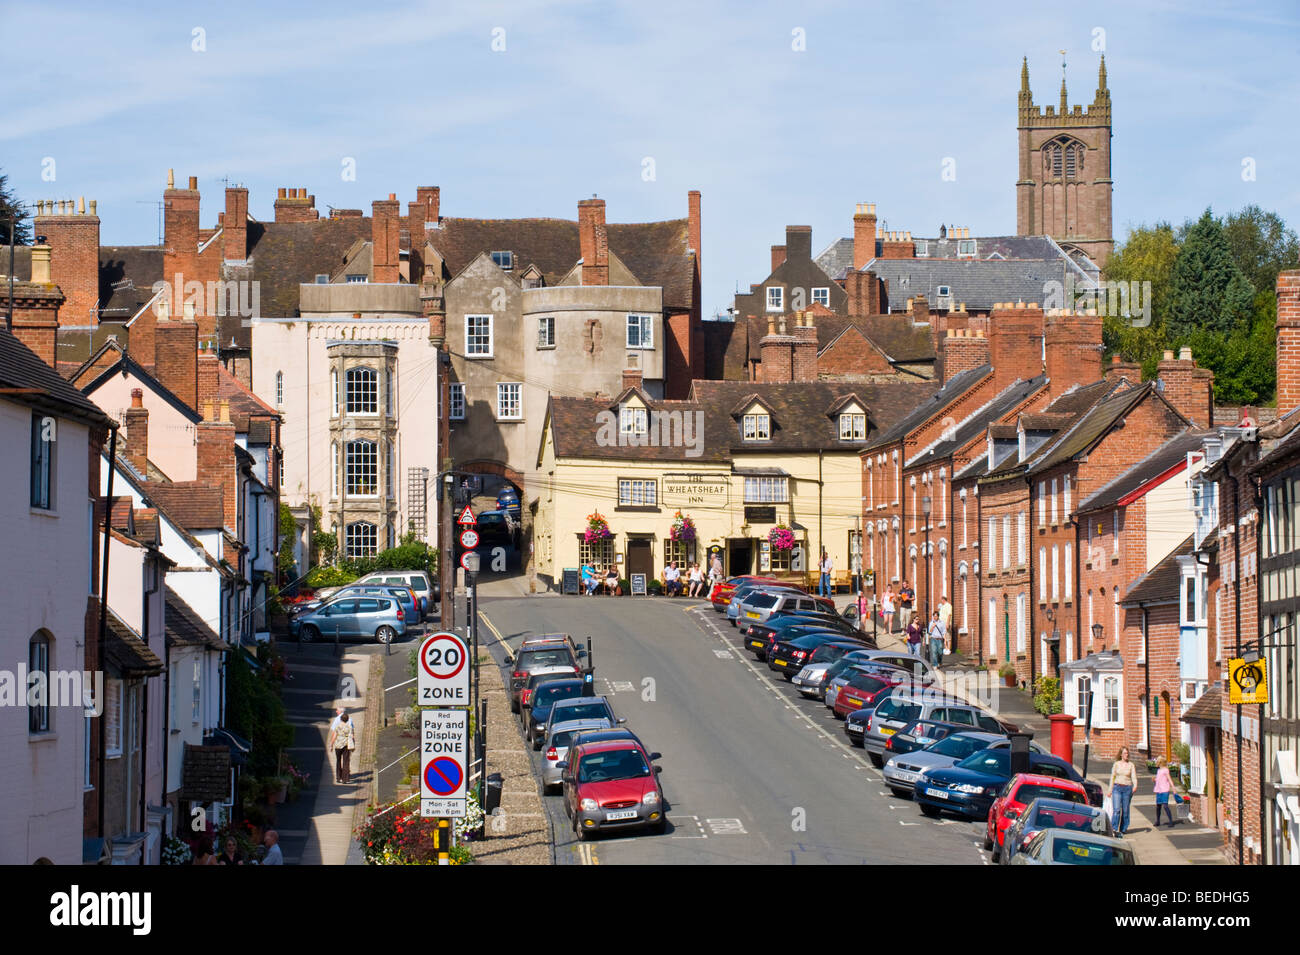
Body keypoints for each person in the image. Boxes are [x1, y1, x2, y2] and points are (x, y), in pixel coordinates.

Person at [1109, 746, 1137, 836]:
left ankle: (1123, 828)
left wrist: (1135, 785)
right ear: (1121, 754)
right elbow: (1112, 777)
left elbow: (1134, 777)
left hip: (1127, 788)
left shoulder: (1131, 765)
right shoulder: (1116, 764)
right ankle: (1114, 828)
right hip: (1117, 787)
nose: (1126, 755)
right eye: (1125, 753)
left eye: (1127, 753)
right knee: (1116, 809)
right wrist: (1110, 790)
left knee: (1125, 810)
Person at [328, 711, 355, 784]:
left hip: (338, 745)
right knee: (346, 761)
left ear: (341, 719)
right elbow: (352, 737)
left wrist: (331, 745)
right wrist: (353, 744)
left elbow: (334, 736)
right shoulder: (349, 727)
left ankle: (338, 777)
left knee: (338, 760)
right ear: (347, 719)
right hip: (346, 745)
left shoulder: (337, 727)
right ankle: (345, 779)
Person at [1153, 756, 1174, 828]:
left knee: (1165, 806)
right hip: (1159, 790)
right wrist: (1155, 780)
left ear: (1160, 762)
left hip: (1164, 790)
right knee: (1158, 806)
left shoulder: (1165, 770)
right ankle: (1158, 820)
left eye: (1158, 761)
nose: (1156, 762)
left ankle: (1171, 821)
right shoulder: (1158, 770)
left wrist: (1173, 788)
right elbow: (1159, 779)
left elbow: (1169, 779)